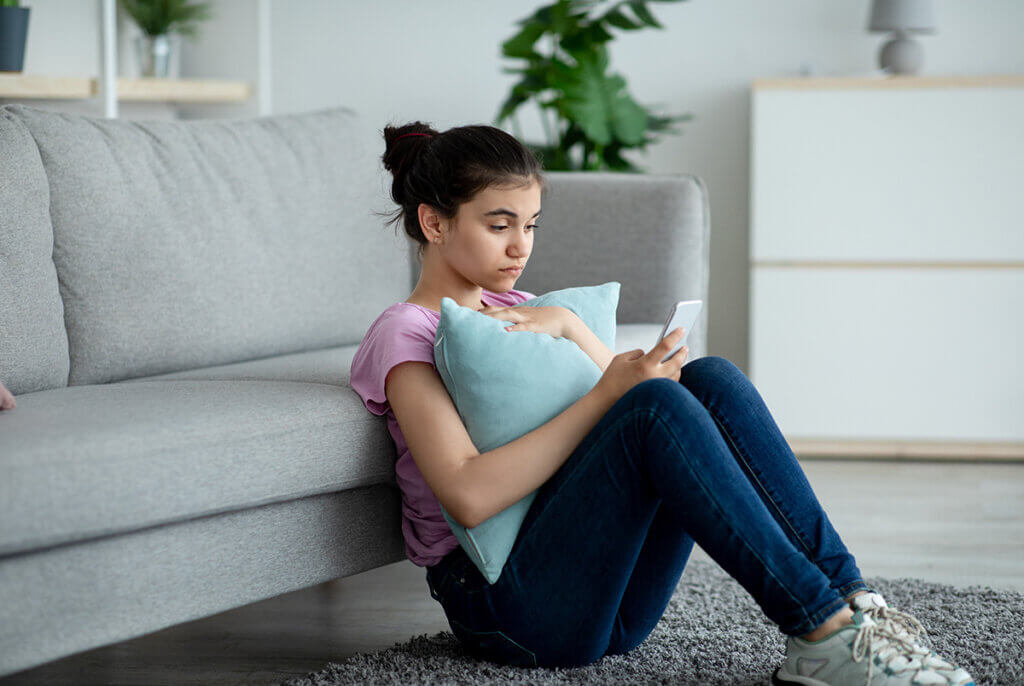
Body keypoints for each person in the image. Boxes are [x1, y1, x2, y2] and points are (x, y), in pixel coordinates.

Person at [348, 122, 974, 686]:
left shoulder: (522, 312)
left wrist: (571, 328)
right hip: (507, 612)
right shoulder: (407, 333)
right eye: (499, 224)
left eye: (531, 224)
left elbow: (638, 413)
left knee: (709, 379)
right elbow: (467, 493)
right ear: (434, 223)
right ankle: (820, 629)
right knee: (652, 408)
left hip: (606, 602)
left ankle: (853, 606)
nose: (521, 247)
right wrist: (611, 393)